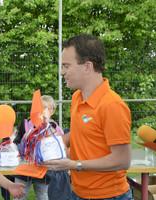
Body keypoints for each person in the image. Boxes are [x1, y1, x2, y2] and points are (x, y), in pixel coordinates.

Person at [42, 33, 133, 200]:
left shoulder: (112, 105)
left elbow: (122, 160)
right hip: (78, 193)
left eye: (66, 66)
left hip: (109, 196)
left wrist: (74, 165)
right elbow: (80, 134)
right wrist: (56, 140)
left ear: (87, 67)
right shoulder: (77, 97)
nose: (62, 72)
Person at [13, 95, 71, 200]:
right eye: (42, 107)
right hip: (25, 167)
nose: (45, 110)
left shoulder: (54, 127)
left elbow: (61, 146)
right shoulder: (25, 124)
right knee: (19, 194)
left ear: (52, 112)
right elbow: (17, 141)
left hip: (44, 170)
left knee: (43, 194)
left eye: (49, 108)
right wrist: (24, 149)